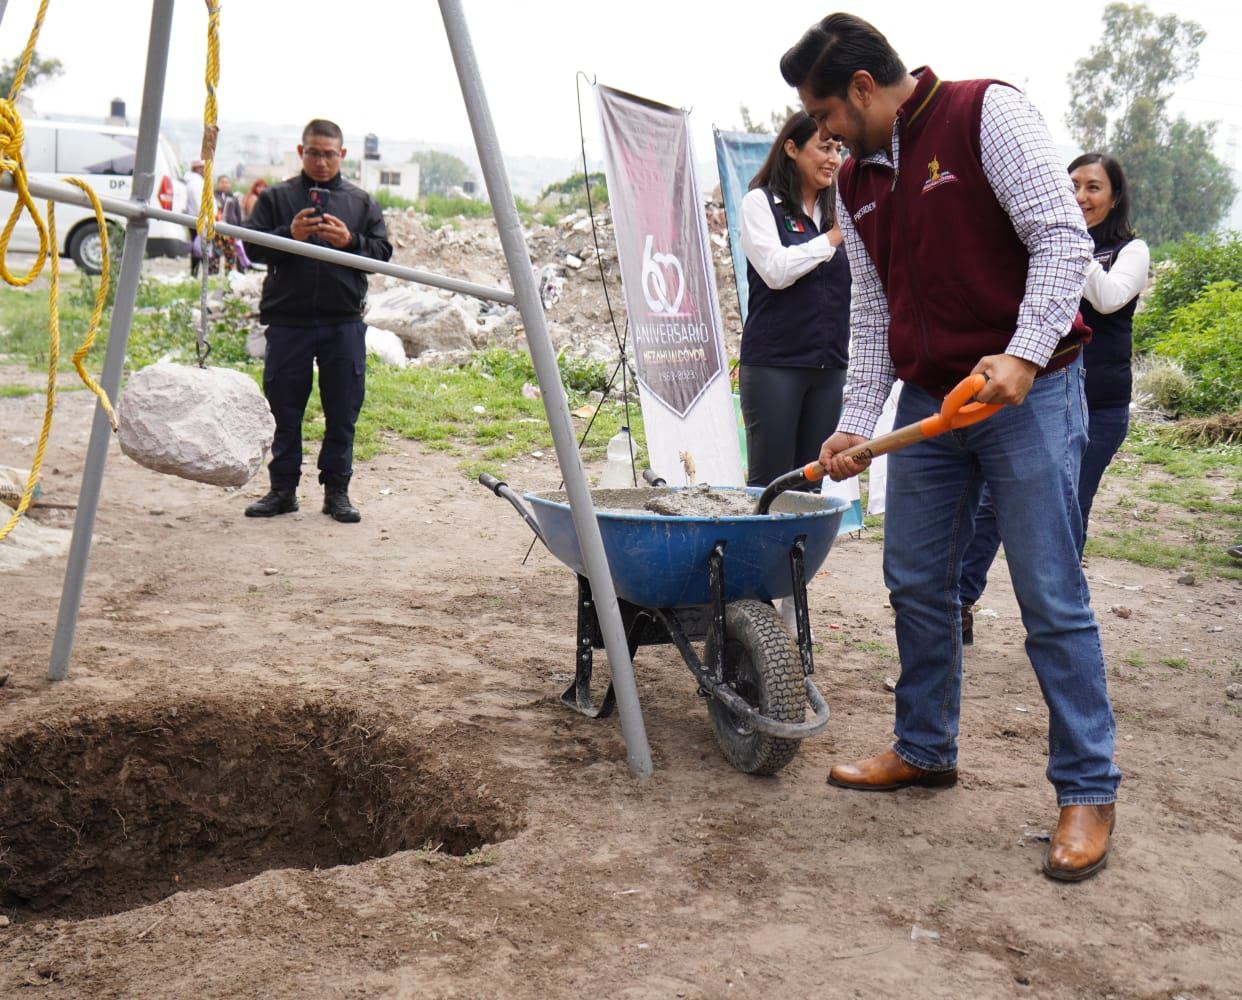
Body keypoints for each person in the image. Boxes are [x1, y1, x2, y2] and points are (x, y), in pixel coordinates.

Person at [781, 13, 1120, 882]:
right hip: (934, 404)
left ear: (863, 87)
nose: (823, 134)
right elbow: (870, 309)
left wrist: (1027, 350)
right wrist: (858, 420)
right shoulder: (859, 181)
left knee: (1050, 594)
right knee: (917, 584)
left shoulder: (984, 114)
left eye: (826, 113)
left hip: (1029, 396)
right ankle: (926, 748)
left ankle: (1087, 788)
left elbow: (1060, 238)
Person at [959, 154, 1150, 638]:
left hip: (1100, 406)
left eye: (1094, 188)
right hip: (1036, 397)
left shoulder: (1130, 251)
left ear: (1115, 197)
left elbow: (1107, 298)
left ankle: (1061, 623)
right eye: (1073, 187)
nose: (1082, 197)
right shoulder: (1035, 247)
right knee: (991, 506)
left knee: (1066, 511)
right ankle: (958, 602)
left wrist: (1066, 244)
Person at [242, 118, 392, 523]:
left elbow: (382, 253)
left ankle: (337, 493)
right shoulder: (276, 197)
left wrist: (350, 242)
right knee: (283, 410)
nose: (322, 161)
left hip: (342, 322)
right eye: (314, 153)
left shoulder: (361, 203)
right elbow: (250, 248)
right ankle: (282, 491)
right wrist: (288, 234)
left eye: (329, 154)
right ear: (300, 152)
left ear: (342, 155)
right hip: (288, 322)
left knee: (342, 409)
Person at [738, 112, 850, 491]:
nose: (833, 158)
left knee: (811, 487)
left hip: (829, 367)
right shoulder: (761, 204)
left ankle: (799, 554)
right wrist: (832, 238)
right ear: (791, 149)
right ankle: (756, 553)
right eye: (823, 147)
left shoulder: (839, 211)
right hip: (775, 366)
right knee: (769, 485)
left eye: (838, 148)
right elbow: (775, 270)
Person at [185, 159, 205, 277]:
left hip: (194, 219)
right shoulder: (197, 183)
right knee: (199, 248)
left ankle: (196, 273)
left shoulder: (193, 182)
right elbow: (200, 204)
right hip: (198, 219)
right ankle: (196, 273)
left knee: (198, 247)